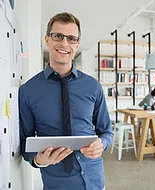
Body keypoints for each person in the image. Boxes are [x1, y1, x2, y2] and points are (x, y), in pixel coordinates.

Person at [19, 12, 113, 190]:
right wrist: (38, 160)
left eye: (71, 38)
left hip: (95, 180)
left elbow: (106, 132)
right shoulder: (28, 91)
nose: (64, 43)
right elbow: (24, 141)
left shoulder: (93, 86)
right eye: (58, 36)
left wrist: (102, 144)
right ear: (47, 39)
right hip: (57, 183)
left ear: (77, 44)